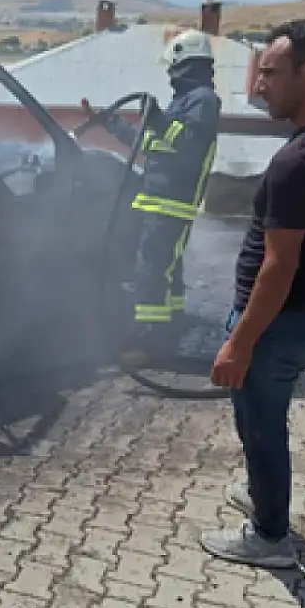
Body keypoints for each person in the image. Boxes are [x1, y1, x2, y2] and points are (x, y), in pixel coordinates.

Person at [200, 17, 305, 568]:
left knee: (261, 425)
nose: (258, 86)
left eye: (271, 73)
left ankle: (269, 537)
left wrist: (240, 343)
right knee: (263, 419)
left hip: (274, 325)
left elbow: (277, 265)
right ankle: (262, 495)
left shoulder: (296, 162)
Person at [81, 28, 222, 361]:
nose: (170, 75)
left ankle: (150, 343)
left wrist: (159, 121)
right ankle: (170, 326)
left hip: (172, 203)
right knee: (166, 270)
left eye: (172, 68)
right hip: (160, 200)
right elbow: (152, 148)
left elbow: (187, 145)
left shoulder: (202, 100)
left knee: (151, 271)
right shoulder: (184, 102)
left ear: (184, 64)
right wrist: (110, 123)